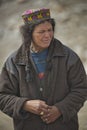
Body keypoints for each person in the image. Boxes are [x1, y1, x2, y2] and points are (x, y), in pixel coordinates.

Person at [0, 8, 87, 130]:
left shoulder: (69, 57)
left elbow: (81, 89)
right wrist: (25, 105)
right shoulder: (14, 61)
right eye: (41, 32)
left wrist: (60, 109)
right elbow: (3, 96)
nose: (47, 35)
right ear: (29, 34)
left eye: (50, 30)